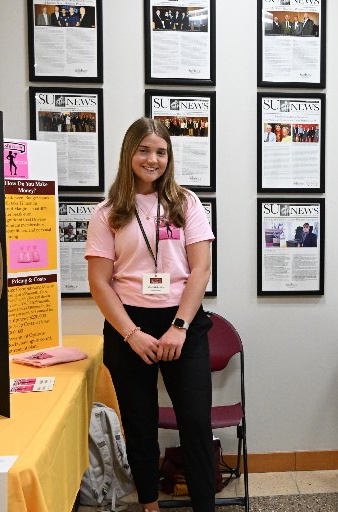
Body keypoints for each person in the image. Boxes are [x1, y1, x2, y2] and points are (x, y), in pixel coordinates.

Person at [86, 118, 216, 512]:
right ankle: (148, 505)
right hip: (130, 329)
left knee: (195, 423)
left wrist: (179, 326)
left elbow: (201, 270)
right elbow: (100, 282)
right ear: (129, 154)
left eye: (160, 151)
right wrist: (131, 334)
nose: (152, 159)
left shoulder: (186, 203)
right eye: (144, 150)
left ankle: (204, 505)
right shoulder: (108, 212)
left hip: (183, 326)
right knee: (140, 425)